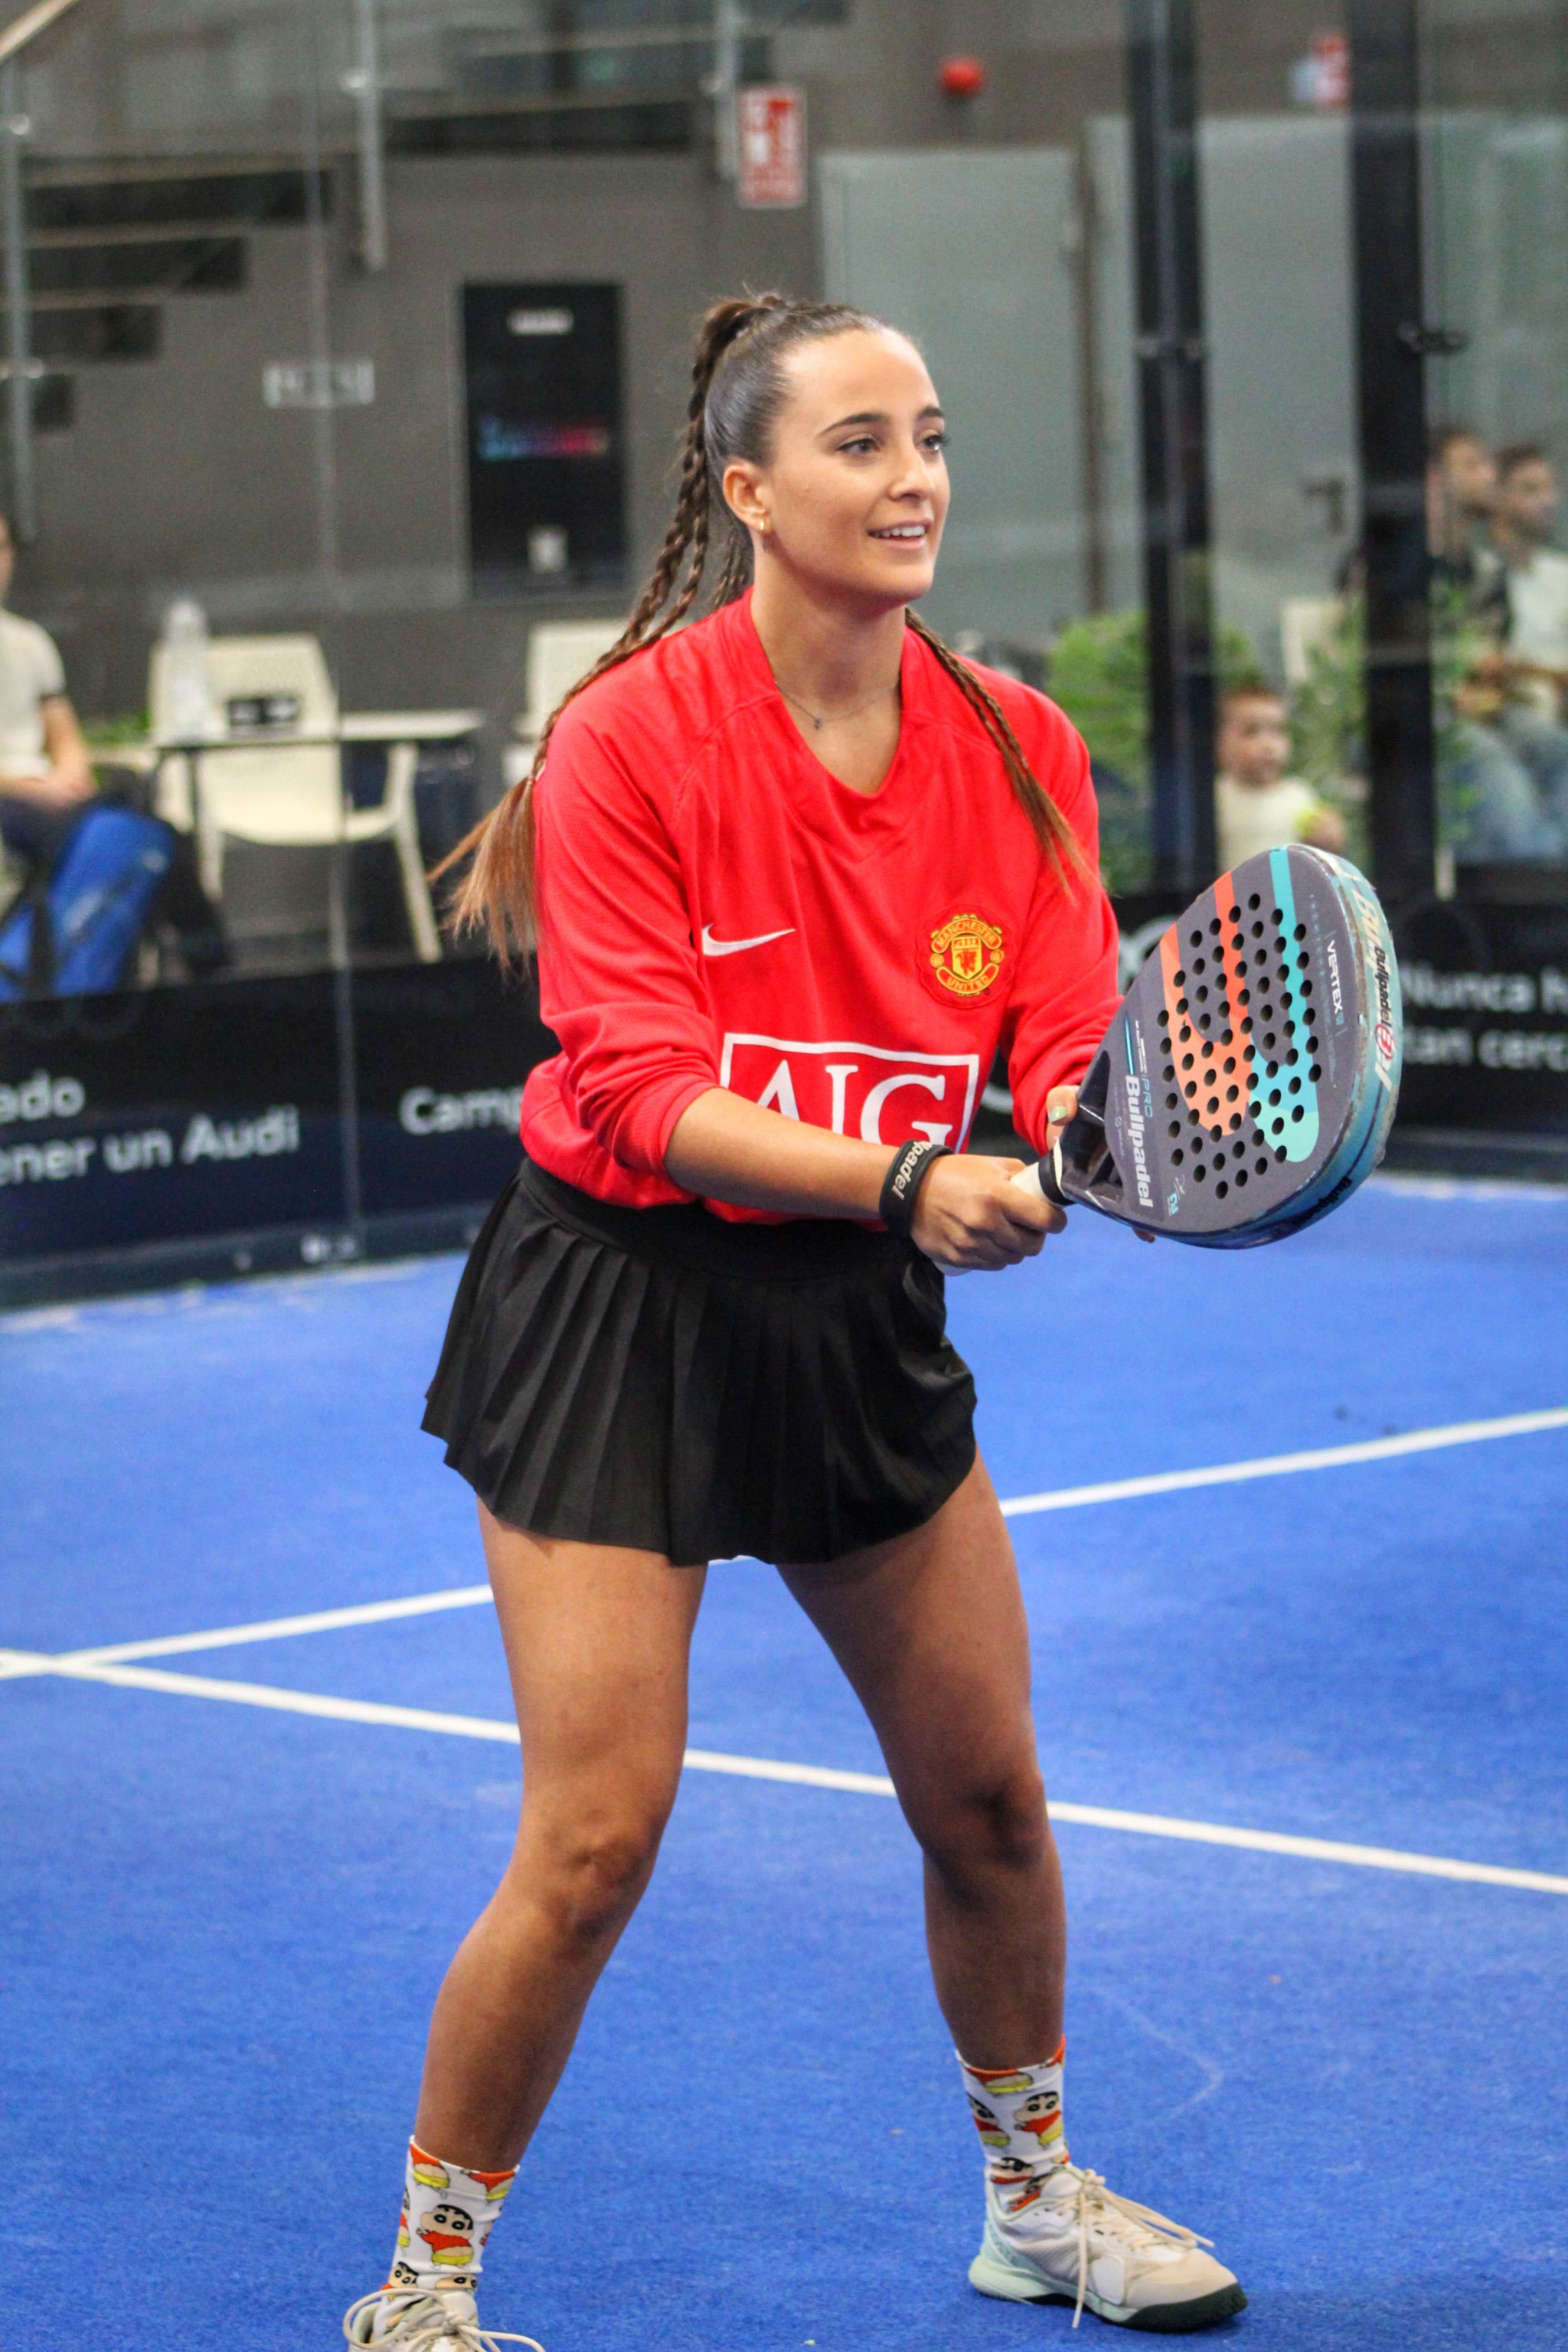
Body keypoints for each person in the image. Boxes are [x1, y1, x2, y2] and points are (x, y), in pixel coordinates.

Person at [342, 295, 1247, 2350]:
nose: (913, 478)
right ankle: (424, 2284)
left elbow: (1064, 1035)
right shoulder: (629, 738)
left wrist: (1090, 1130)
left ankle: (1033, 2204)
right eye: (859, 443)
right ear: (747, 487)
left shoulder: (1017, 747)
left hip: (852, 1315)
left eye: (929, 437)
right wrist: (910, 1180)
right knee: (593, 1837)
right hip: (620, 1304)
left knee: (989, 1800)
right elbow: (643, 1091)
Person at [1214, 679, 1346, 871]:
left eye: (1278, 731)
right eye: (1251, 731)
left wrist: (1330, 838)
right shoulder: (1216, 797)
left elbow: (1322, 860)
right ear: (1220, 742)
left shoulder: (1299, 796)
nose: (1268, 745)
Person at [1491, 443, 1568, 697]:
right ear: (1498, 495)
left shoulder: (1562, 574)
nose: (1547, 501)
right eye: (1530, 489)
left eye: (1549, 488)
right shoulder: (1484, 575)